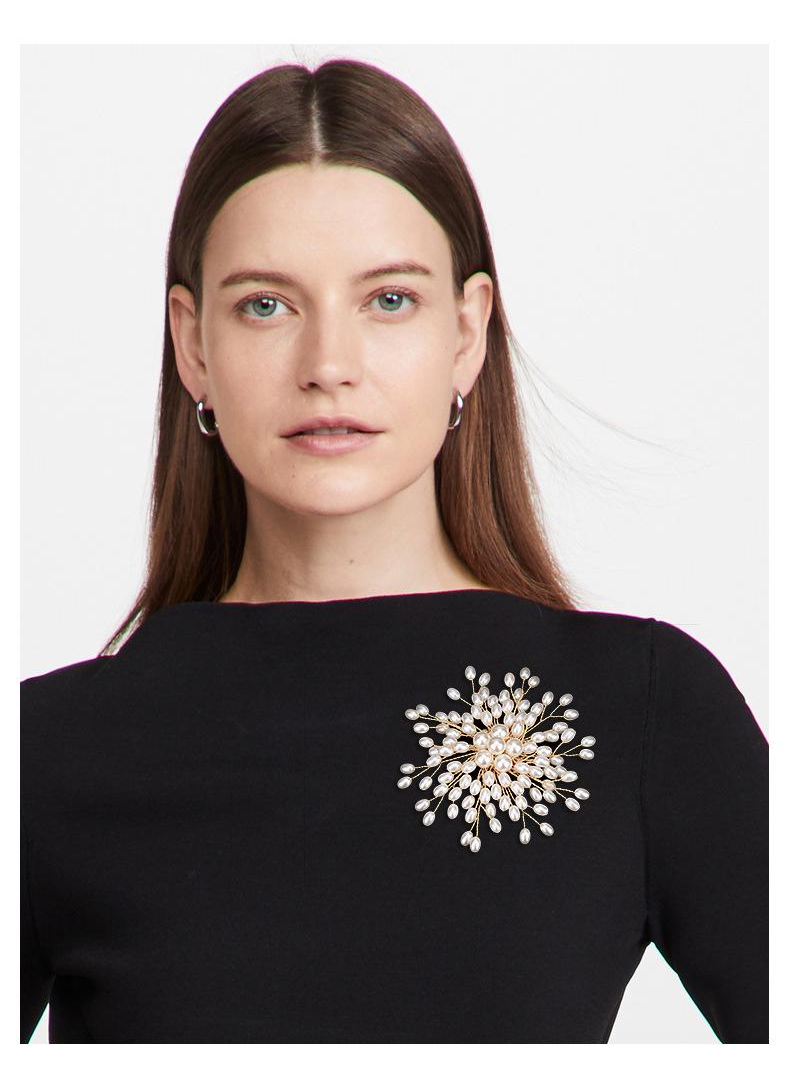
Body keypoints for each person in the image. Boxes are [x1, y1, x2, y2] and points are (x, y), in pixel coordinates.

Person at [20, 59, 768, 1044]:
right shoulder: (46, 754)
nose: (329, 366)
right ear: (193, 344)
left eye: (387, 301)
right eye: (266, 304)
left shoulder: (642, 712)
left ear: (466, 331)